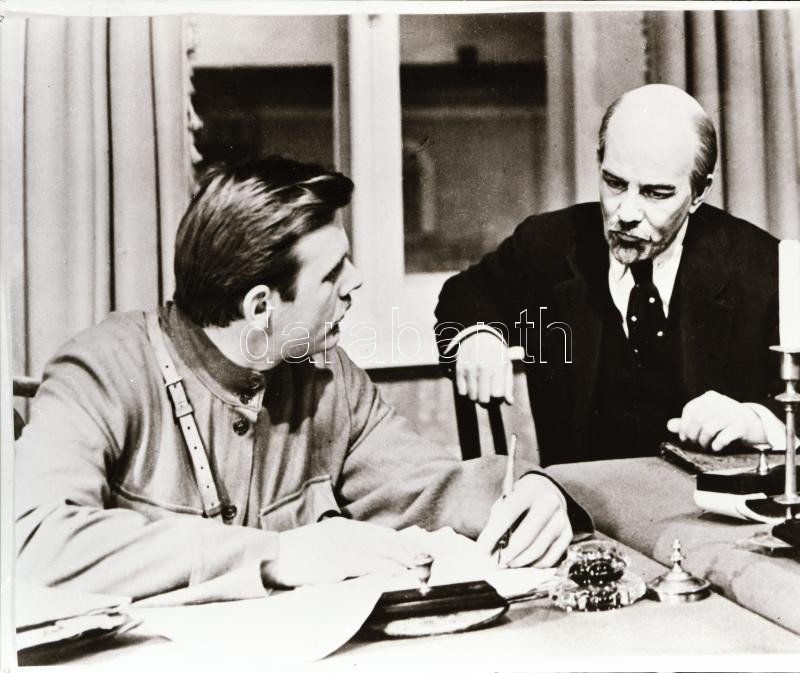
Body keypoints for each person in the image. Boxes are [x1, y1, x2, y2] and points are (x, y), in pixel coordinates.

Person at [15, 156, 590, 601]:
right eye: (333, 272)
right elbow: (33, 540)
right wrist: (278, 556)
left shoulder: (327, 377)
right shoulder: (103, 371)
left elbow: (430, 486)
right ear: (261, 306)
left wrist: (532, 492)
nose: (356, 282)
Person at [435, 84, 782, 466]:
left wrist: (755, 421)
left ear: (699, 192)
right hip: (580, 497)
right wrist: (478, 335)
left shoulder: (763, 268)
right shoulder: (548, 245)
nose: (626, 213)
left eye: (656, 193)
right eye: (614, 183)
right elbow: (465, 293)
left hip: (705, 499)